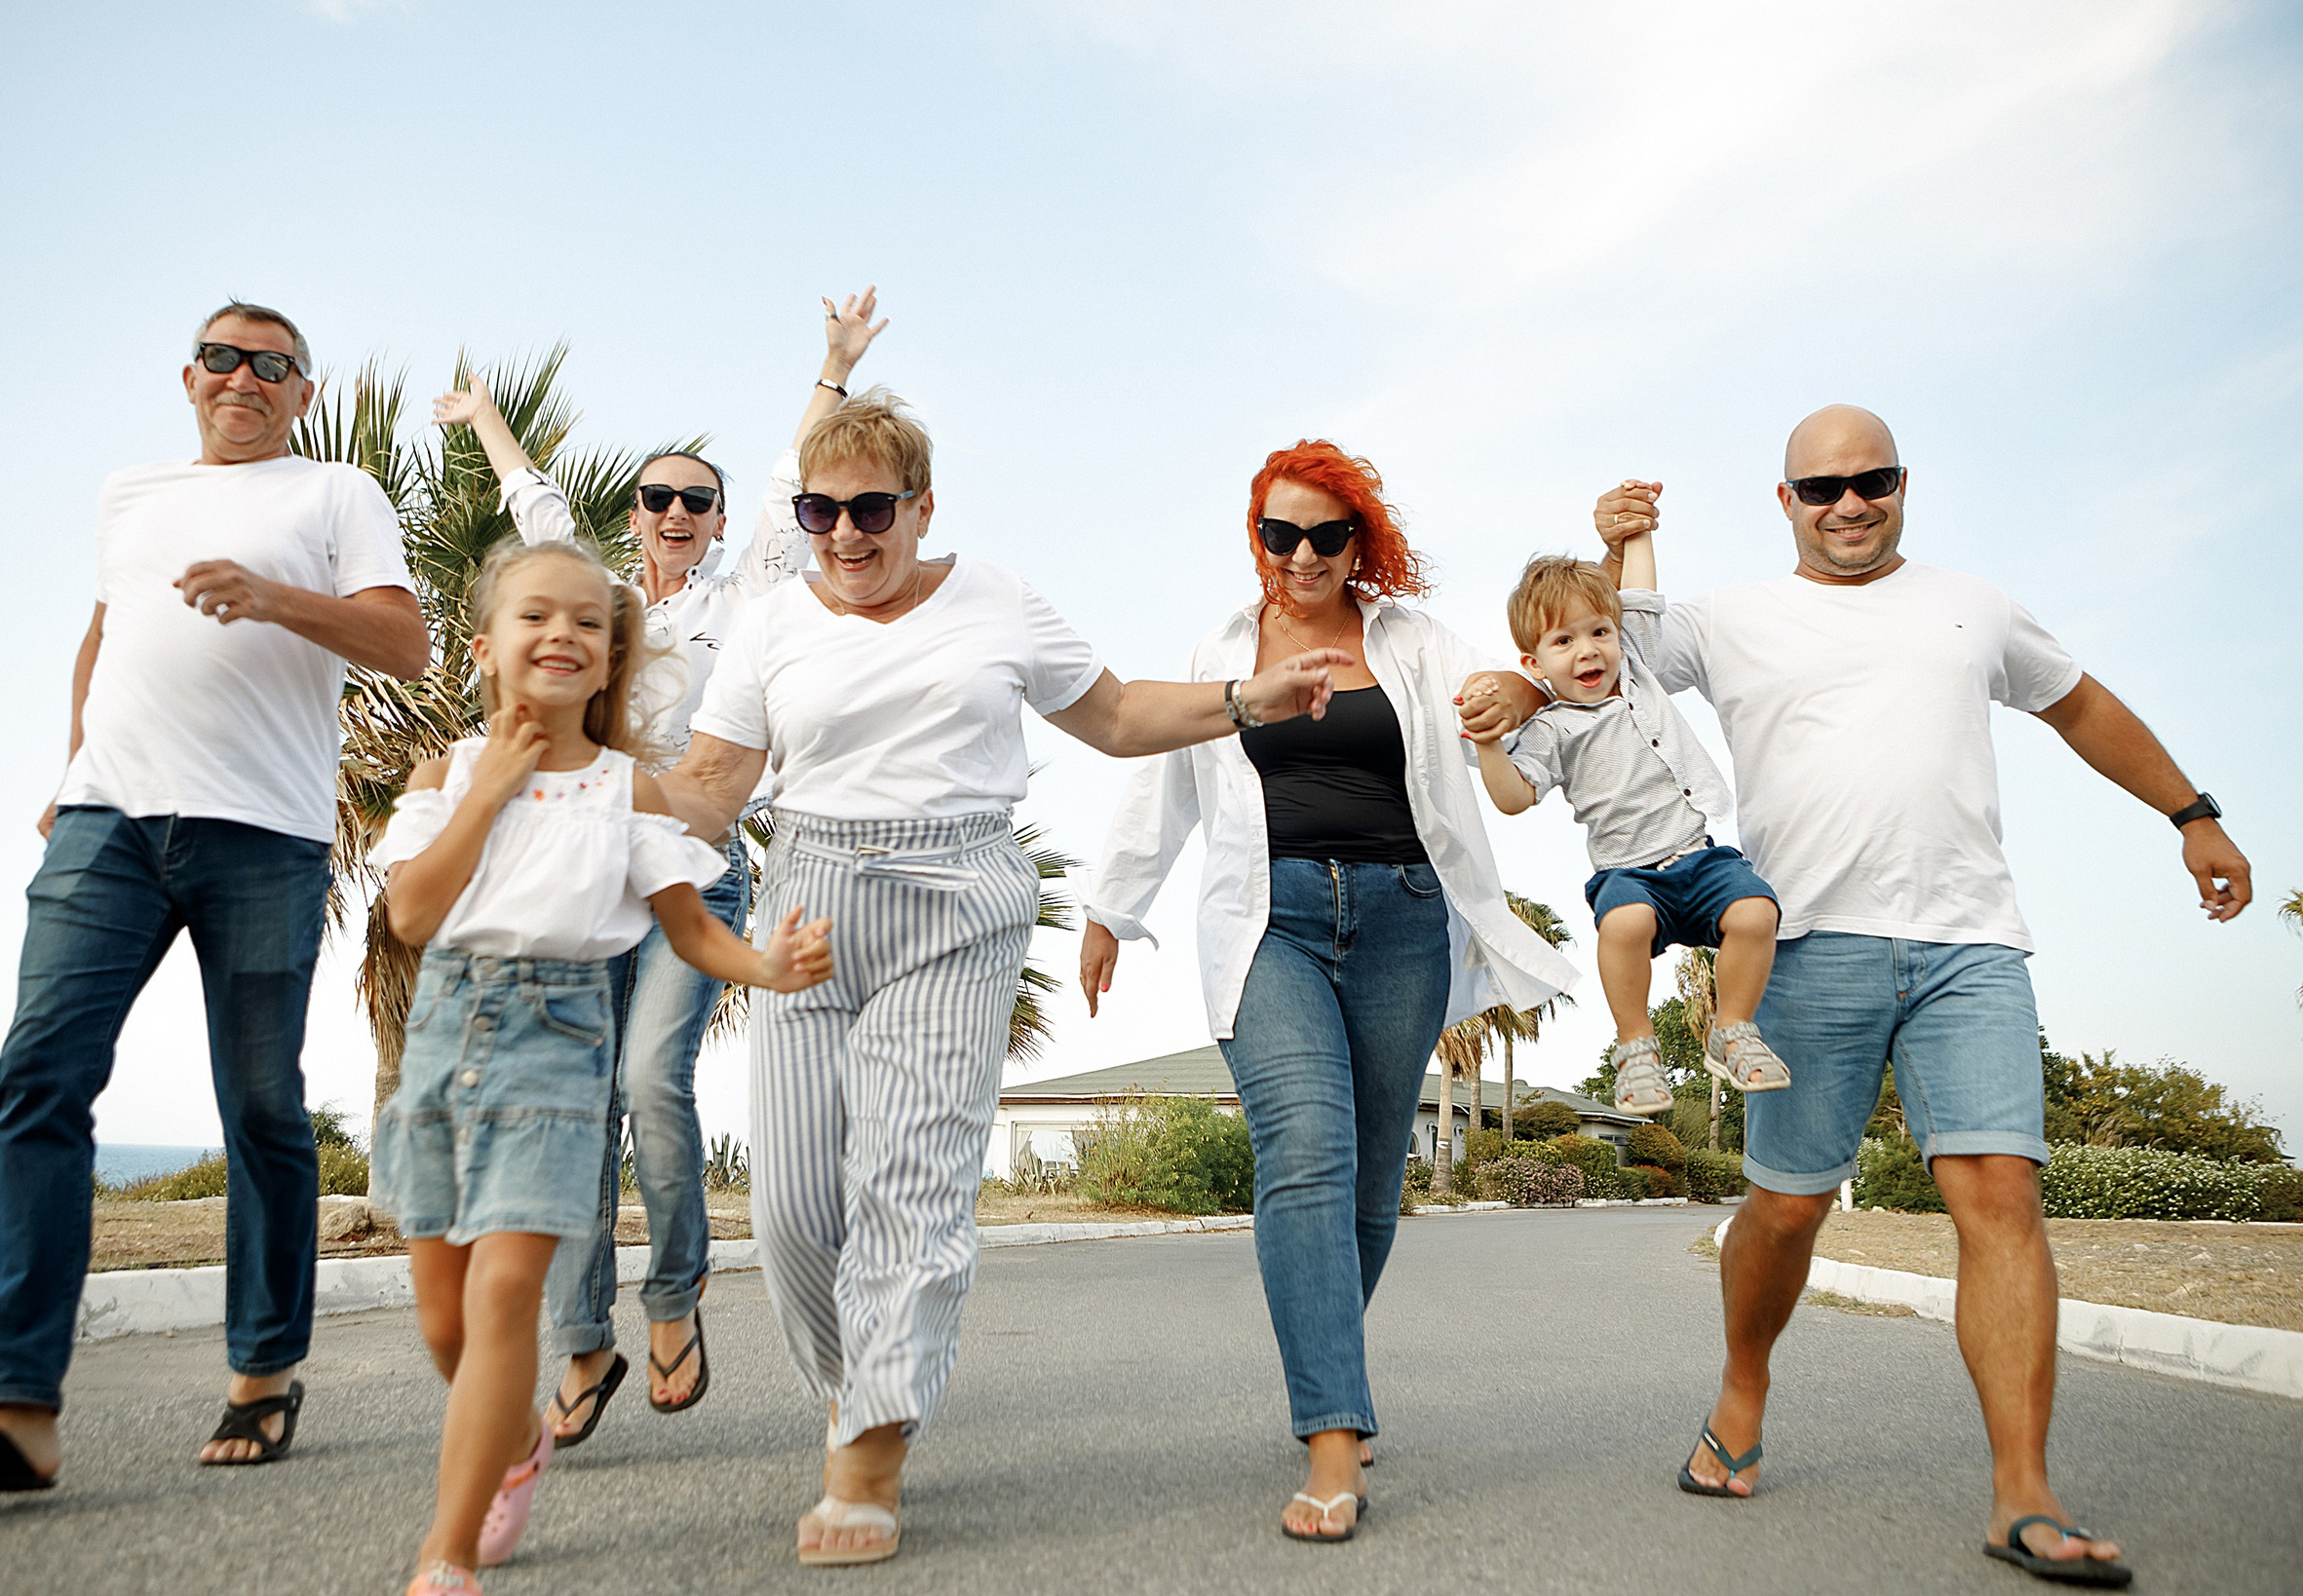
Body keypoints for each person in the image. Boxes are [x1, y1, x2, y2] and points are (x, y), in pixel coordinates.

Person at [655, 392, 1356, 1566]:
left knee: (909, 1183)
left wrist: (1244, 700)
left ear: (921, 505)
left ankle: (871, 1446)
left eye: (870, 507)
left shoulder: (996, 598)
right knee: (789, 1214)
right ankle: (860, 1383)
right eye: (819, 510)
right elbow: (713, 784)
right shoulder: (774, 620)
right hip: (809, 901)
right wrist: (569, 776)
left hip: (956, 895)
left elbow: (1121, 713)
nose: (843, 533)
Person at [1593, 405, 2250, 1587]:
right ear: (1784, 500)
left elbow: (2081, 706)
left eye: (1873, 479)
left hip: (1969, 945)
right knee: (1788, 1209)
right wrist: (1614, 541)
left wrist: (2191, 813)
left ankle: (2022, 1494)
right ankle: (1744, 1383)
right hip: (1807, 946)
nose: (1850, 503)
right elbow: (1609, 644)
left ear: (1903, 482)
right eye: (1822, 487)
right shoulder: (1732, 616)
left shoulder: (1976, 605)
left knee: (1998, 1192)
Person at [0, 304, 430, 1494]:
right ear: (189, 376)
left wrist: (276, 597)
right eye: (223, 357)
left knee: (262, 1109)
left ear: (302, 392)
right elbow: (105, 632)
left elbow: (404, 640)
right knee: (40, 1076)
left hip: (264, 835)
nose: (244, 377)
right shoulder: (131, 490)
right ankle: (15, 1405)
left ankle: (265, 1368)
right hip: (107, 821)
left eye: (272, 365)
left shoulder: (335, 493)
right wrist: (70, 762)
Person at [1080, 441, 1576, 1543]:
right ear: (1252, 534)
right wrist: (1112, 907)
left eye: (1325, 534)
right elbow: (1160, 772)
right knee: (1303, 1150)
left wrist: (1525, 682)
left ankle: (1324, 1363)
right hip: (1269, 922)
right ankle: (1333, 1435)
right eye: (1278, 533)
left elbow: (1520, 685)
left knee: (1364, 1188)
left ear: (1360, 539)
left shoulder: (1408, 638)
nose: (1300, 555)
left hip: (1405, 917)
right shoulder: (1222, 646)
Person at [431, 288, 887, 1444]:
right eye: (658, 496)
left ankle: (675, 1295)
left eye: (697, 498)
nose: (676, 511)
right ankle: (583, 1346)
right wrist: (487, 420)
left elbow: (794, 476)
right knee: (579, 1109)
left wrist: (830, 365)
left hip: (697, 866)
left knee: (646, 1082)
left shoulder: (752, 591)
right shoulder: (603, 596)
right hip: (584, 873)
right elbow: (533, 504)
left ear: (721, 519)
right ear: (633, 515)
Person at [373, 539, 833, 1595]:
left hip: (557, 1043)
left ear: (611, 653)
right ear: (486, 647)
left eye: (588, 620)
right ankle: (516, 1438)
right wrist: (490, 786)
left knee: (500, 1300)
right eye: (537, 615)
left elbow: (689, 926)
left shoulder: (632, 791)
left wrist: (767, 963)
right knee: (443, 1318)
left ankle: (443, 1556)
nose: (563, 634)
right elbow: (411, 911)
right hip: (445, 1044)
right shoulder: (445, 772)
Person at [1472, 521, 1787, 1115]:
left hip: (1698, 854)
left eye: (1599, 632)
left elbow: (1641, 592)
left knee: (1755, 911)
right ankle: (1636, 1046)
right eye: (1564, 642)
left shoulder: (1638, 668)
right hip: (1629, 872)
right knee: (1625, 924)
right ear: (1533, 661)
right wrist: (1490, 747)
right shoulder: (1551, 728)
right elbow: (1514, 798)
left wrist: (1639, 528)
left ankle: (1733, 1027)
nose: (1588, 649)